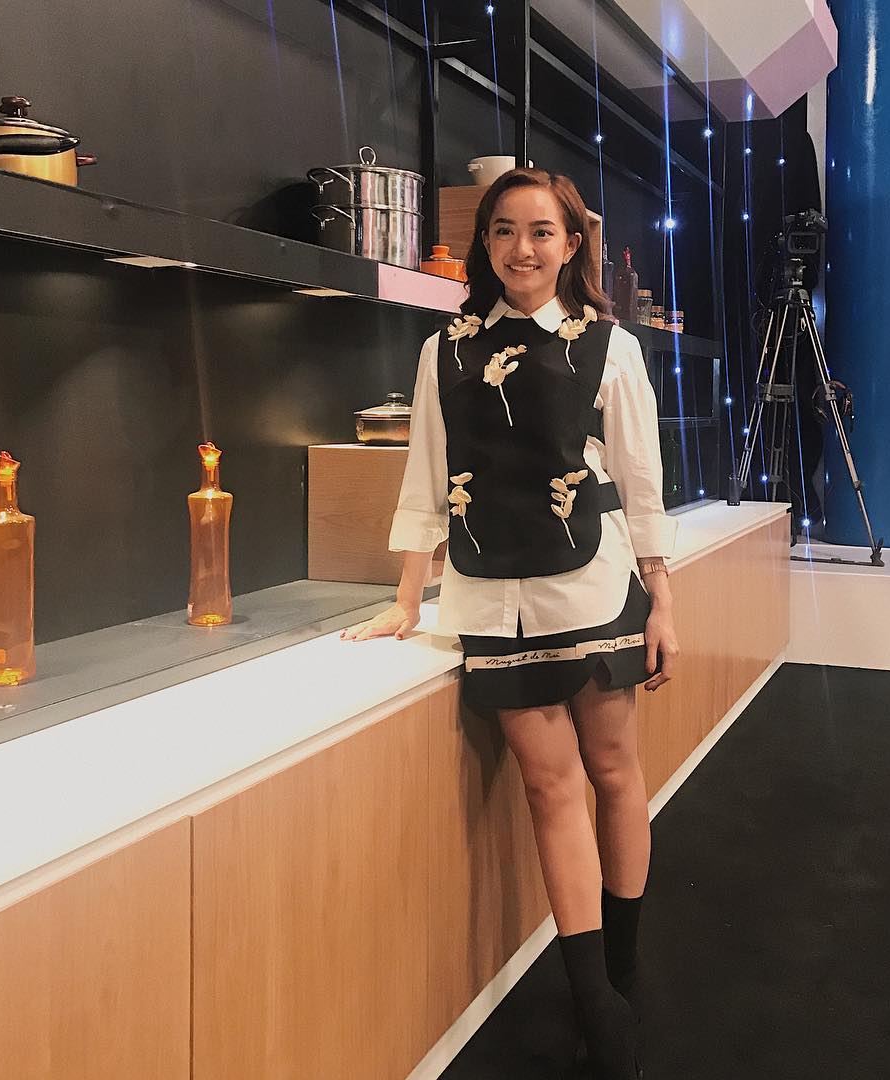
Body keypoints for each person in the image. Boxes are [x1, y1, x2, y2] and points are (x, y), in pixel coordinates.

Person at [341, 167, 679, 1080]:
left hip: (596, 587)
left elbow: (641, 481)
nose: (520, 249)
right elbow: (427, 476)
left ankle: (623, 973)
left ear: (571, 244)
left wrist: (663, 597)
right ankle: (594, 1003)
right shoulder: (444, 350)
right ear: (483, 244)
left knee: (615, 773)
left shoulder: (610, 346)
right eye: (502, 231)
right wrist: (407, 597)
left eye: (540, 232)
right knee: (548, 789)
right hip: (490, 598)